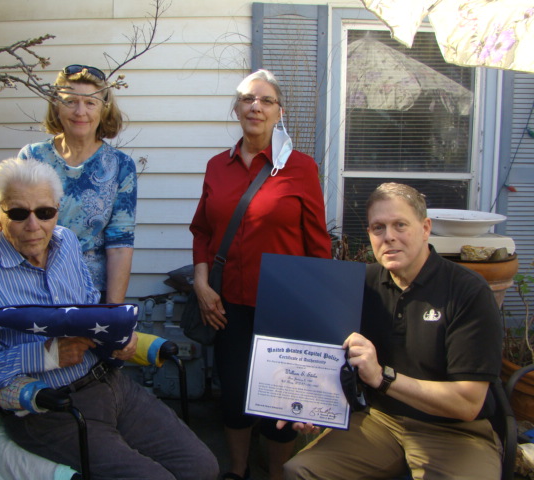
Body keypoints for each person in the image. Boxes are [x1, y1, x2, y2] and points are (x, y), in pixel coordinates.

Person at [0, 158, 218, 480]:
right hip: (50, 409)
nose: (34, 225)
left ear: (57, 209)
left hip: (110, 384)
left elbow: (89, 307)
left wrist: (118, 338)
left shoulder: (67, 243)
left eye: (44, 212)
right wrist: (44, 355)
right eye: (18, 213)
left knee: (201, 467)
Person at [281, 182, 503, 480]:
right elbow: (330, 357)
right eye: (378, 228)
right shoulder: (361, 284)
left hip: (456, 433)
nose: (389, 237)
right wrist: (312, 406)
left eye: (400, 225)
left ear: (425, 228)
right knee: (300, 470)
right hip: (379, 422)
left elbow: (467, 403)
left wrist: (382, 378)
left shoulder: (466, 292)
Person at [189, 69, 332, 480]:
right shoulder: (218, 166)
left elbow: (317, 244)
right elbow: (202, 230)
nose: (256, 106)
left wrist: (316, 311)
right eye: (248, 99)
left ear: (278, 112)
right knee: (233, 395)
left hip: (283, 305)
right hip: (227, 303)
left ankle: (277, 474)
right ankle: (237, 471)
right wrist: (201, 283)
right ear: (236, 108)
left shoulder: (300, 168)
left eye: (266, 101)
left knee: (280, 402)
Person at [0, 64, 136, 303]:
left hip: (89, 292)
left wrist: (112, 314)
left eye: (90, 103)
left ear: (103, 109)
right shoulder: (33, 156)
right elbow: (16, 216)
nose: (80, 111)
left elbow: (120, 246)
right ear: (56, 106)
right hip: (31, 284)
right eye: (70, 101)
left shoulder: (120, 166)